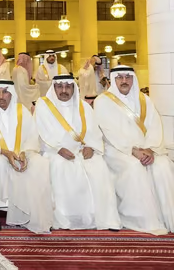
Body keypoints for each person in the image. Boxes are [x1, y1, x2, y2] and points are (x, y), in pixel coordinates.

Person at [94, 66, 174, 234]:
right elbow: (110, 131)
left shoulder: (145, 100)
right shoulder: (102, 101)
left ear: (133, 79)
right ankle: (142, 219)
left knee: (163, 166)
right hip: (117, 150)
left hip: (147, 149)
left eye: (128, 77)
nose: (124, 81)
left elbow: (154, 127)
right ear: (113, 79)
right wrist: (133, 150)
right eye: (120, 77)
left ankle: (168, 218)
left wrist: (150, 149)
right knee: (134, 167)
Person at [35, 75, 121, 230]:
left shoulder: (84, 107)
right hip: (54, 152)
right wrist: (58, 149)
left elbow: (94, 132)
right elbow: (41, 133)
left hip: (81, 151)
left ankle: (102, 217)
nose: (64, 90)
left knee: (98, 166)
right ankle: (66, 217)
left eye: (68, 87)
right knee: (60, 167)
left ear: (74, 88)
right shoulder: (43, 106)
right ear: (54, 88)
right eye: (60, 86)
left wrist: (91, 147)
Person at [0, 80, 53, 233]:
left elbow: (32, 136)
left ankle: (36, 212)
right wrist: (5, 152)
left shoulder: (21, 110)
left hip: (21, 154)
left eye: (5, 92)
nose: (1, 96)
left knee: (40, 162)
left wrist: (24, 153)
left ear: (11, 93)